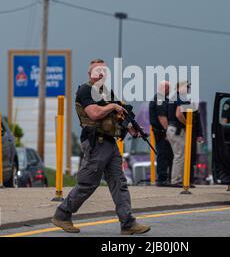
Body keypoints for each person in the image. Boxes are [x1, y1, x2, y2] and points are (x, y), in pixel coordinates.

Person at [52, 59, 151, 235]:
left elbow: (117, 118)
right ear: (90, 74)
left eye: (104, 71)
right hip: (95, 142)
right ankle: (62, 214)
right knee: (88, 183)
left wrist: (131, 128)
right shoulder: (85, 90)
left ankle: (127, 223)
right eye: (97, 71)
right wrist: (113, 106)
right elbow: (94, 113)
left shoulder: (106, 92)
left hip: (110, 142)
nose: (101, 74)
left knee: (119, 182)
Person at [167, 81, 203, 187]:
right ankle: (176, 180)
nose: (188, 88)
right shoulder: (180, 98)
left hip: (172, 129)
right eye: (187, 86)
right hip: (177, 129)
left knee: (179, 155)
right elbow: (178, 114)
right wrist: (188, 123)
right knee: (180, 155)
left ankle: (180, 179)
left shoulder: (174, 97)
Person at [149, 81, 173, 187]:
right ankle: (162, 179)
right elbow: (161, 116)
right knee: (163, 154)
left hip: (161, 132)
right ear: (165, 88)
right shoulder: (160, 100)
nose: (170, 90)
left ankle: (165, 178)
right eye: (169, 88)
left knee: (166, 155)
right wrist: (168, 131)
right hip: (162, 132)